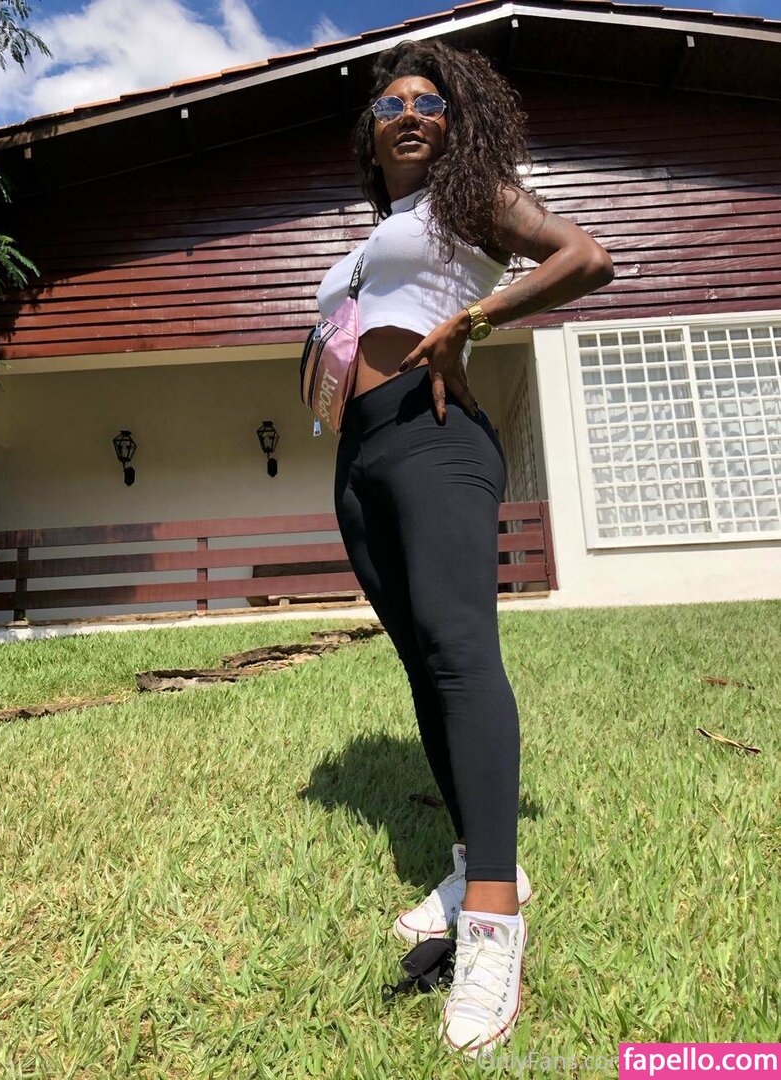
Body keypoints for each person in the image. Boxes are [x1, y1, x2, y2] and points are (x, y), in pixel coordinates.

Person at [316, 39, 614, 1060]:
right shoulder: (382, 232)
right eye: (390, 104)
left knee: (460, 656)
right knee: (422, 665)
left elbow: (585, 256)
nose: (408, 113)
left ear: (455, 124)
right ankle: (475, 861)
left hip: (435, 437)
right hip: (362, 454)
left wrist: (472, 322)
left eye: (428, 102)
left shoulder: (468, 197)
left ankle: (493, 920)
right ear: (370, 134)